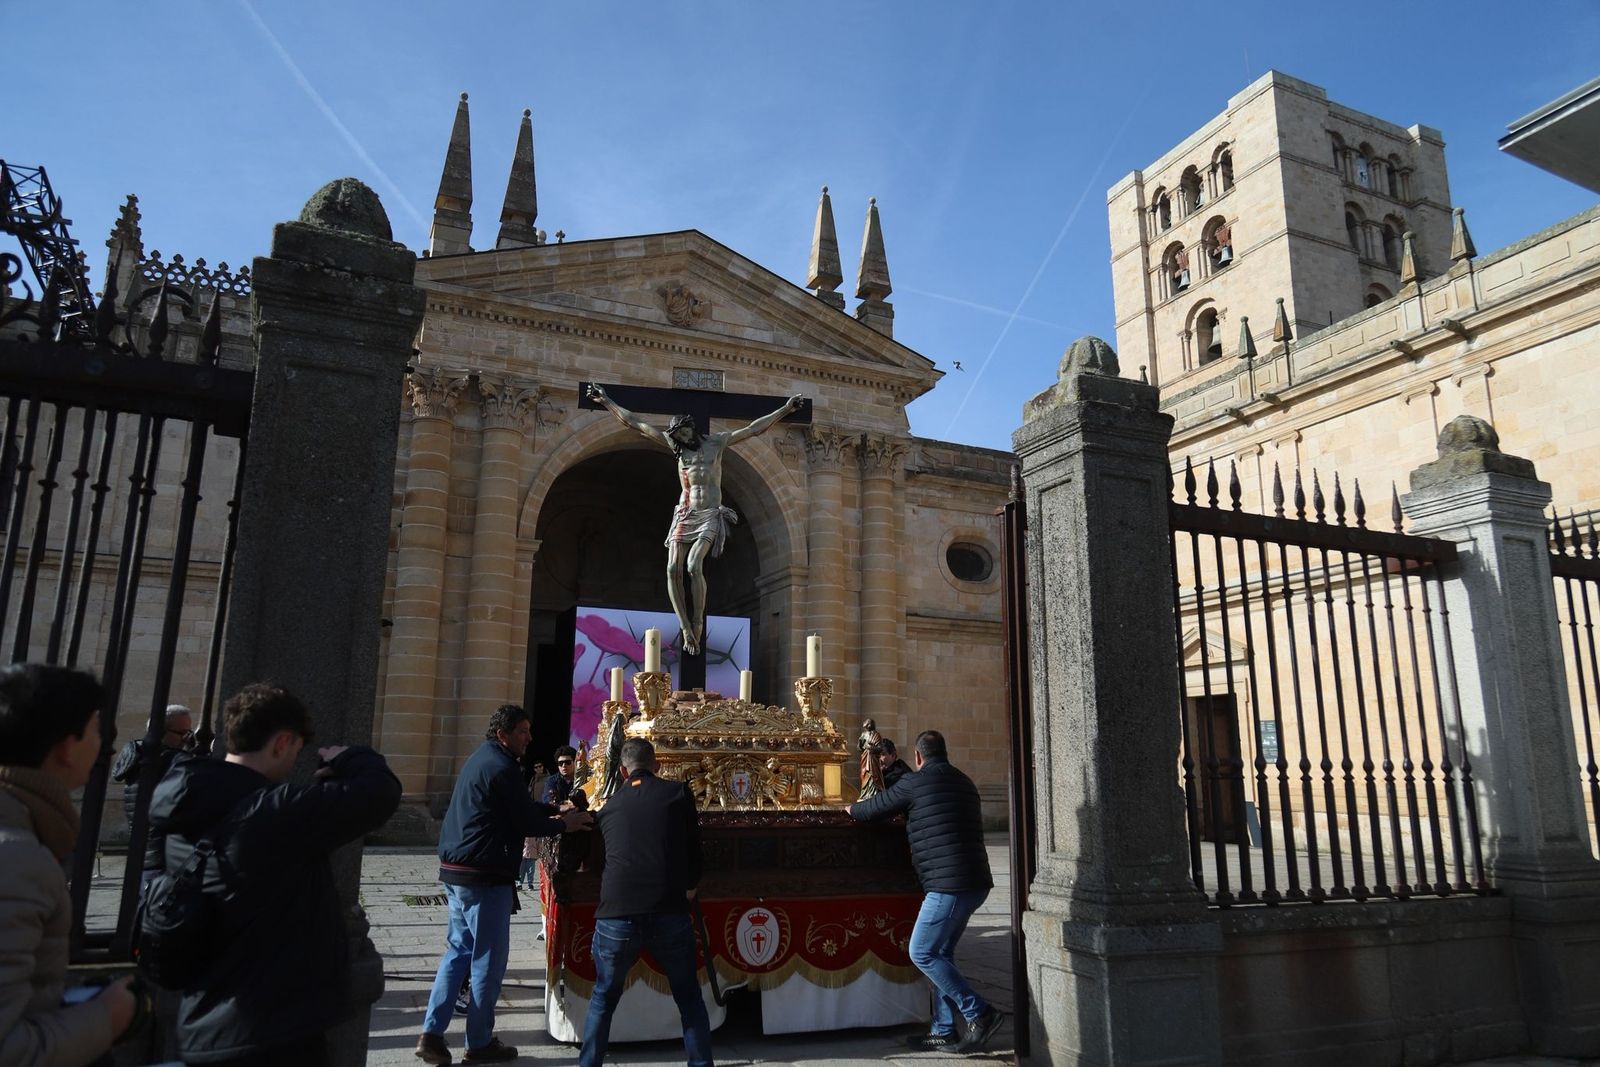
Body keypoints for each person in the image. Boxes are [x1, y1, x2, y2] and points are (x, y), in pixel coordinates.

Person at [148, 682, 401, 1066]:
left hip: (201, 1021)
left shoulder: (186, 802)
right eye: (297, 748)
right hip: (273, 1028)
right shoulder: (275, 812)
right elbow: (378, 793)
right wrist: (352, 758)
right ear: (282, 742)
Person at [417, 705, 592, 1065]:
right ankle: (479, 1043)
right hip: (484, 874)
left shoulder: (483, 759)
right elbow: (523, 818)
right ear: (503, 735)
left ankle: (431, 1034)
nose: (529, 738)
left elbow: (515, 807)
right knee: (487, 961)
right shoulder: (502, 768)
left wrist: (554, 810)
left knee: (458, 953)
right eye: (523, 731)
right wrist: (566, 825)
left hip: (457, 869)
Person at [588, 384, 803, 655]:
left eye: (685, 431)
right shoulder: (676, 448)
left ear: (692, 427)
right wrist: (607, 401)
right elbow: (636, 423)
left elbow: (753, 429)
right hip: (685, 512)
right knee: (671, 569)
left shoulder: (717, 442)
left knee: (692, 566)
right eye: (678, 435)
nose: (683, 437)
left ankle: (698, 621)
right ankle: (684, 626)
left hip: (710, 513)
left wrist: (784, 410)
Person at [0, 663, 138, 1066]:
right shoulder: (19, 860)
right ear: (65, 746)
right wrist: (108, 1015)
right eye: (97, 728)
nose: (106, 743)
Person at [847, 729, 1003, 1055]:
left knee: (922, 952)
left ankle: (979, 1013)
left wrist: (850, 810)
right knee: (941, 953)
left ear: (918, 757)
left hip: (948, 885)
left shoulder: (916, 782)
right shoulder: (965, 781)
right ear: (943, 753)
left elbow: (873, 809)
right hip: (977, 883)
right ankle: (944, 1030)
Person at [580, 737, 709, 1067]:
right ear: (658, 765)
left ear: (623, 771)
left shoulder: (607, 808)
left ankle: (589, 1063)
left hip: (617, 911)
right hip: (668, 906)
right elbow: (695, 849)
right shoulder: (677, 793)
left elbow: (598, 861)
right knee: (688, 996)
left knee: (603, 997)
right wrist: (691, 885)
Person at [109, 702, 194, 885]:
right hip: (162, 856)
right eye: (182, 733)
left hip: (144, 855)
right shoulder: (167, 762)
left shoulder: (138, 756)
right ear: (161, 731)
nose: (187, 739)